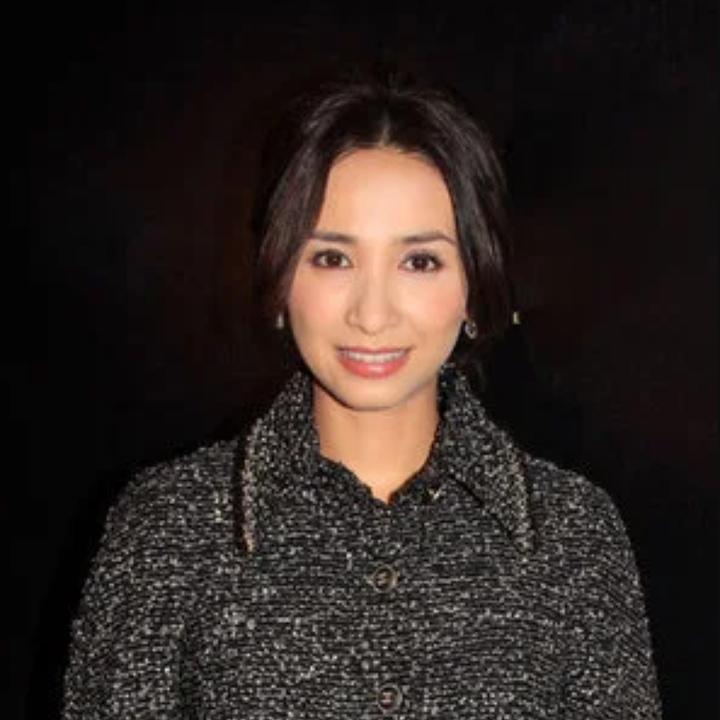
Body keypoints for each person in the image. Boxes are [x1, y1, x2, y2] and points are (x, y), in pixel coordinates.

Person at [61, 74, 662, 718]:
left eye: (420, 262)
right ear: (280, 277)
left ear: (474, 287)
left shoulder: (572, 535)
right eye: (332, 258)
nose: (372, 315)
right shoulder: (168, 528)